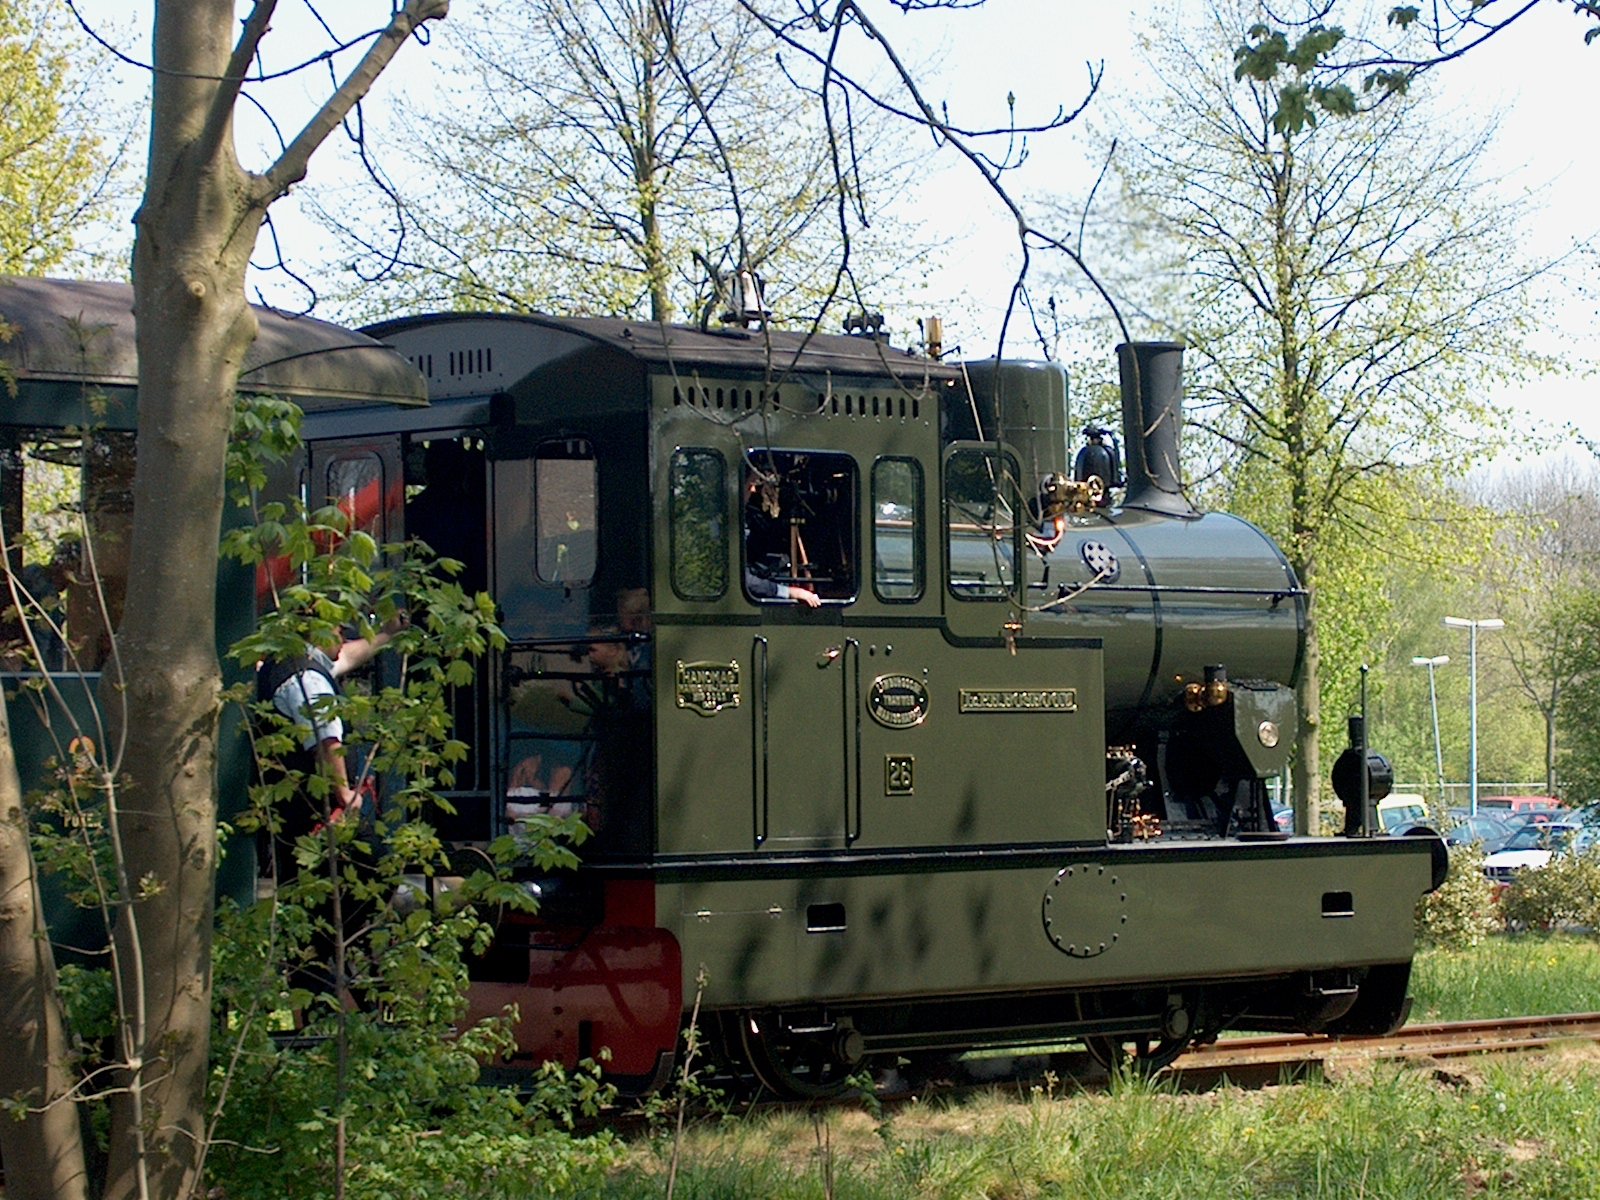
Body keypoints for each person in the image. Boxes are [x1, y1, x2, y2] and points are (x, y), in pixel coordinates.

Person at [743, 468, 821, 607]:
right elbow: (746, 581)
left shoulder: (752, 517)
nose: (754, 490)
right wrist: (790, 592)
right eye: (750, 485)